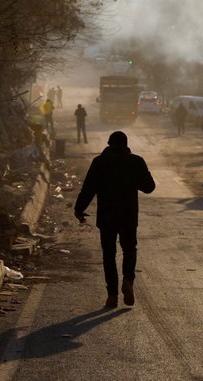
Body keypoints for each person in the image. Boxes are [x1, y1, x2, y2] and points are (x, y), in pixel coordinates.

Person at [74, 131, 156, 308]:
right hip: (128, 215)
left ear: (109, 144)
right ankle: (128, 280)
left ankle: (112, 295)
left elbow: (88, 189)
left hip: (107, 215)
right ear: (125, 145)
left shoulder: (99, 162)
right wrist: (136, 178)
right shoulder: (136, 161)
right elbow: (149, 187)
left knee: (109, 255)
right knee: (129, 250)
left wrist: (79, 209)